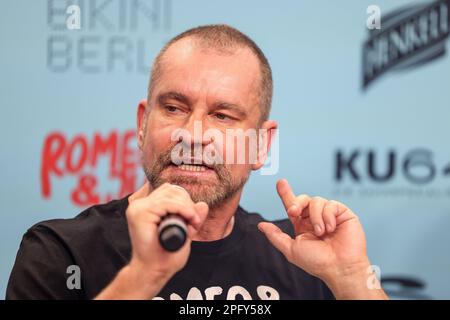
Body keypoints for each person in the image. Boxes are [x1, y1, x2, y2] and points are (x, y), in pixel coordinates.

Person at [6, 24, 388, 300]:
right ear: (142, 124)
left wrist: (352, 278)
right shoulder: (61, 253)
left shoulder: (303, 257)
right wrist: (143, 277)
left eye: (223, 116)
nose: (193, 134)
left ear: (261, 145)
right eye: (173, 108)